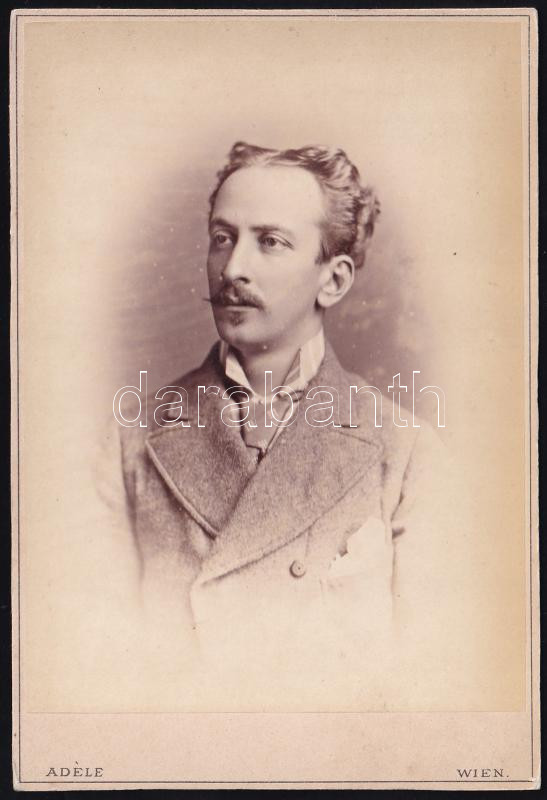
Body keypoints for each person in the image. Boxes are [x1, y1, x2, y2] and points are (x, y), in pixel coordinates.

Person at [94, 142, 469, 711]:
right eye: (223, 238)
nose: (232, 268)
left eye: (270, 241)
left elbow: (429, 688)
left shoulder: (407, 454)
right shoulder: (129, 445)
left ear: (333, 281)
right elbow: (100, 674)